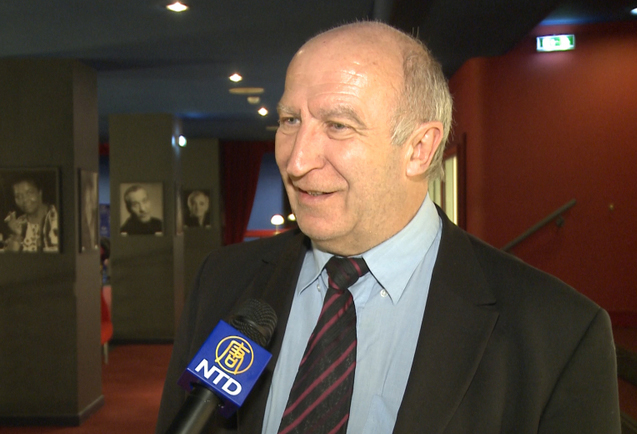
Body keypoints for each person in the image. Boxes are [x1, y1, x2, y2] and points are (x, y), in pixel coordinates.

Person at [156, 22, 620, 433]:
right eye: (290, 120)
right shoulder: (222, 280)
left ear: (419, 148)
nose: (296, 161)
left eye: (338, 125)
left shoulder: (557, 334)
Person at [3, 176, 59, 252]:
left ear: (40, 192)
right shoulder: (18, 224)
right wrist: (16, 235)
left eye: (29, 193)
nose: (24, 199)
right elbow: (9, 260)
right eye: (18, 196)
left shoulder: (59, 217)